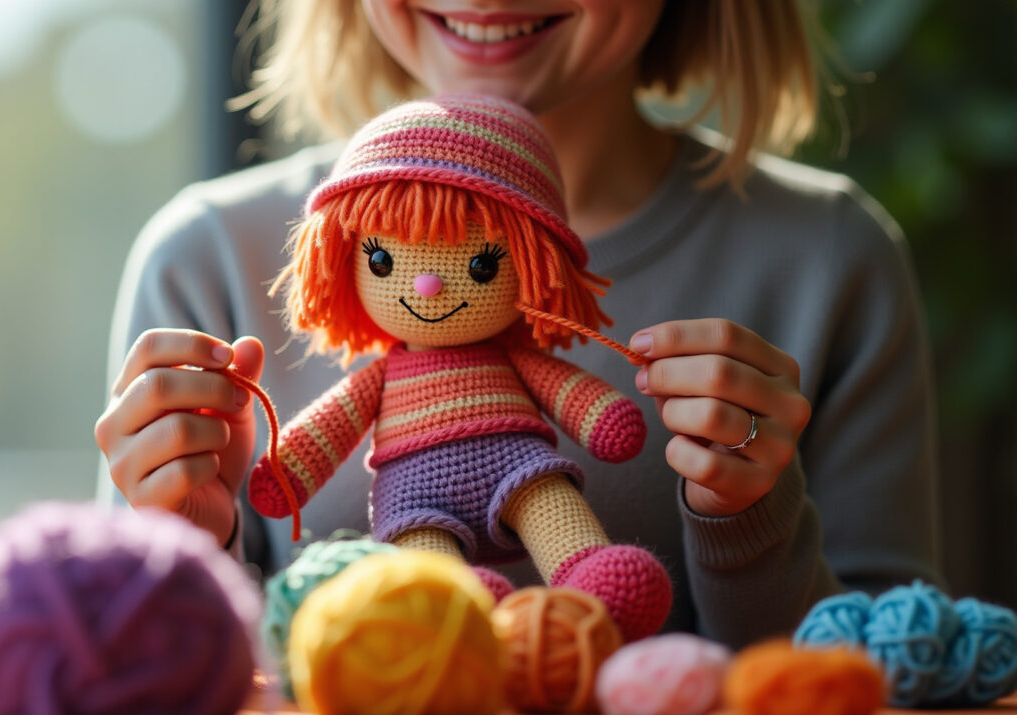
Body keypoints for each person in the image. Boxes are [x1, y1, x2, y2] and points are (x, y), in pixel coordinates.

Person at [94, 0, 943, 647]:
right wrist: (188, 551)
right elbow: (124, 664)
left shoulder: (831, 258)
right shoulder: (207, 259)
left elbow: (903, 666)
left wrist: (751, 519)